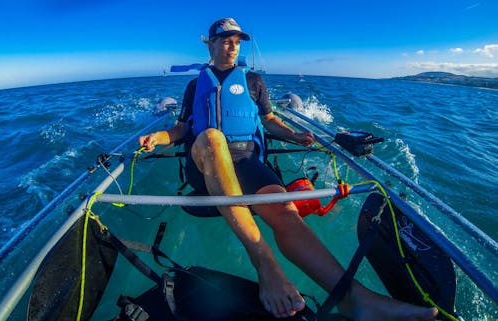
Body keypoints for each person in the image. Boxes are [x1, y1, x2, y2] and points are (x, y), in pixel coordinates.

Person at [139, 18, 438, 321]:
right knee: (213, 138)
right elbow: (178, 129)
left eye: (238, 41)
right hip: (204, 162)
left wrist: (294, 135)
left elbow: (269, 120)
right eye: (226, 40)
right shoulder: (194, 85)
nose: (233, 46)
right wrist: (157, 138)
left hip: (246, 160)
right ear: (211, 43)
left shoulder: (253, 81)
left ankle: (354, 299)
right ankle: (265, 263)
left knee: (285, 211)